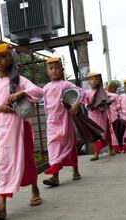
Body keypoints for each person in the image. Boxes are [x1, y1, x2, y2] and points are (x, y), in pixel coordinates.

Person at [0, 43, 43, 220]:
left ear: (10, 58)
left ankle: (35, 189)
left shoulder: (19, 80)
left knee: (27, 161)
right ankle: (2, 207)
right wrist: (0, 108)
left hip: (20, 128)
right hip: (3, 130)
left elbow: (39, 92)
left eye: (2, 57)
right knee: (2, 164)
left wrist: (21, 94)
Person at [42, 57, 83, 187]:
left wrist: (77, 103)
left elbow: (81, 91)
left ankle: (75, 171)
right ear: (47, 71)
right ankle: (55, 177)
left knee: (70, 146)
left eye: (57, 68)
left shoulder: (65, 84)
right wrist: (48, 119)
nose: (54, 71)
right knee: (53, 148)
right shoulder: (46, 88)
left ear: (62, 69)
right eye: (51, 68)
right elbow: (46, 106)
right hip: (52, 122)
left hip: (65, 120)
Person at [84, 72, 113, 160]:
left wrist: (104, 104)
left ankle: (107, 150)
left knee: (104, 134)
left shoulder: (103, 91)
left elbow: (113, 97)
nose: (94, 81)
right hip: (92, 116)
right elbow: (85, 102)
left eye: (96, 79)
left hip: (102, 116)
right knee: (95, 135)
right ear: (89, 81)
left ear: (99, 80)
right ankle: (98, 152)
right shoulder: (86, 92)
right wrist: (87, 106)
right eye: (91, 79)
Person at [106, 81, 126, 153]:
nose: (114, 89)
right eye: (113, 88)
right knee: (111, 132)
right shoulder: (106, 94)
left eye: (115, 88)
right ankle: (114, 148)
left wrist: (117, 108)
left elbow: (118, 105)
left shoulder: (115, 95)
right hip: (108, 114)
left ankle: (119, 147)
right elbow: (118, 105)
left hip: (114, 114)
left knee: (115, 131)